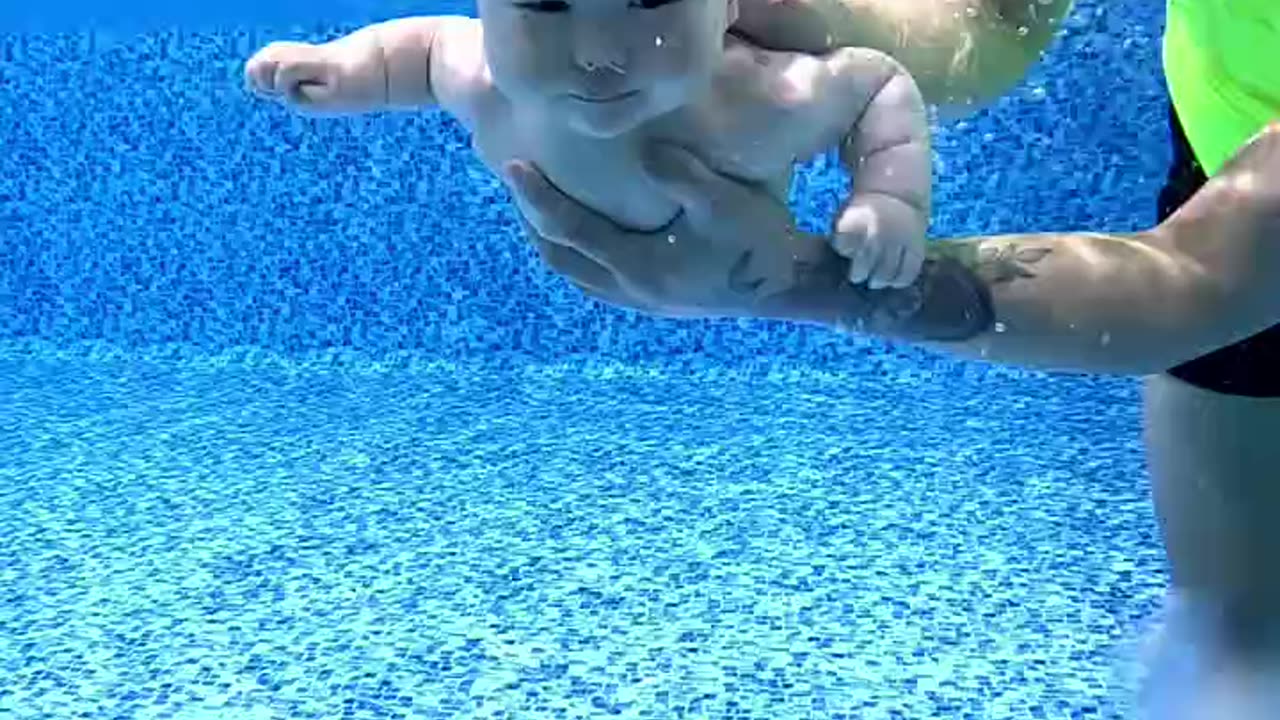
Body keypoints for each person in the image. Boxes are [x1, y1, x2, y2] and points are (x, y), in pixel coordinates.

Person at [504, 0, 1280, 716]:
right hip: (1235, 111)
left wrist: (793, 280)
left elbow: (1204, 280)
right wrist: (773, 19)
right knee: (1239, 373)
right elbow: (995, 26)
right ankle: (1233, 618)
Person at [243, 0, 941, 291]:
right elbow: (422, 52)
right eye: (546, 4)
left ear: (730, 5)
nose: (598, 54)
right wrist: (347, 69)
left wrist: (889, 196)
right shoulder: (487, 78)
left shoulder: (762, 103)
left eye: (649, 1)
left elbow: (880, 86)